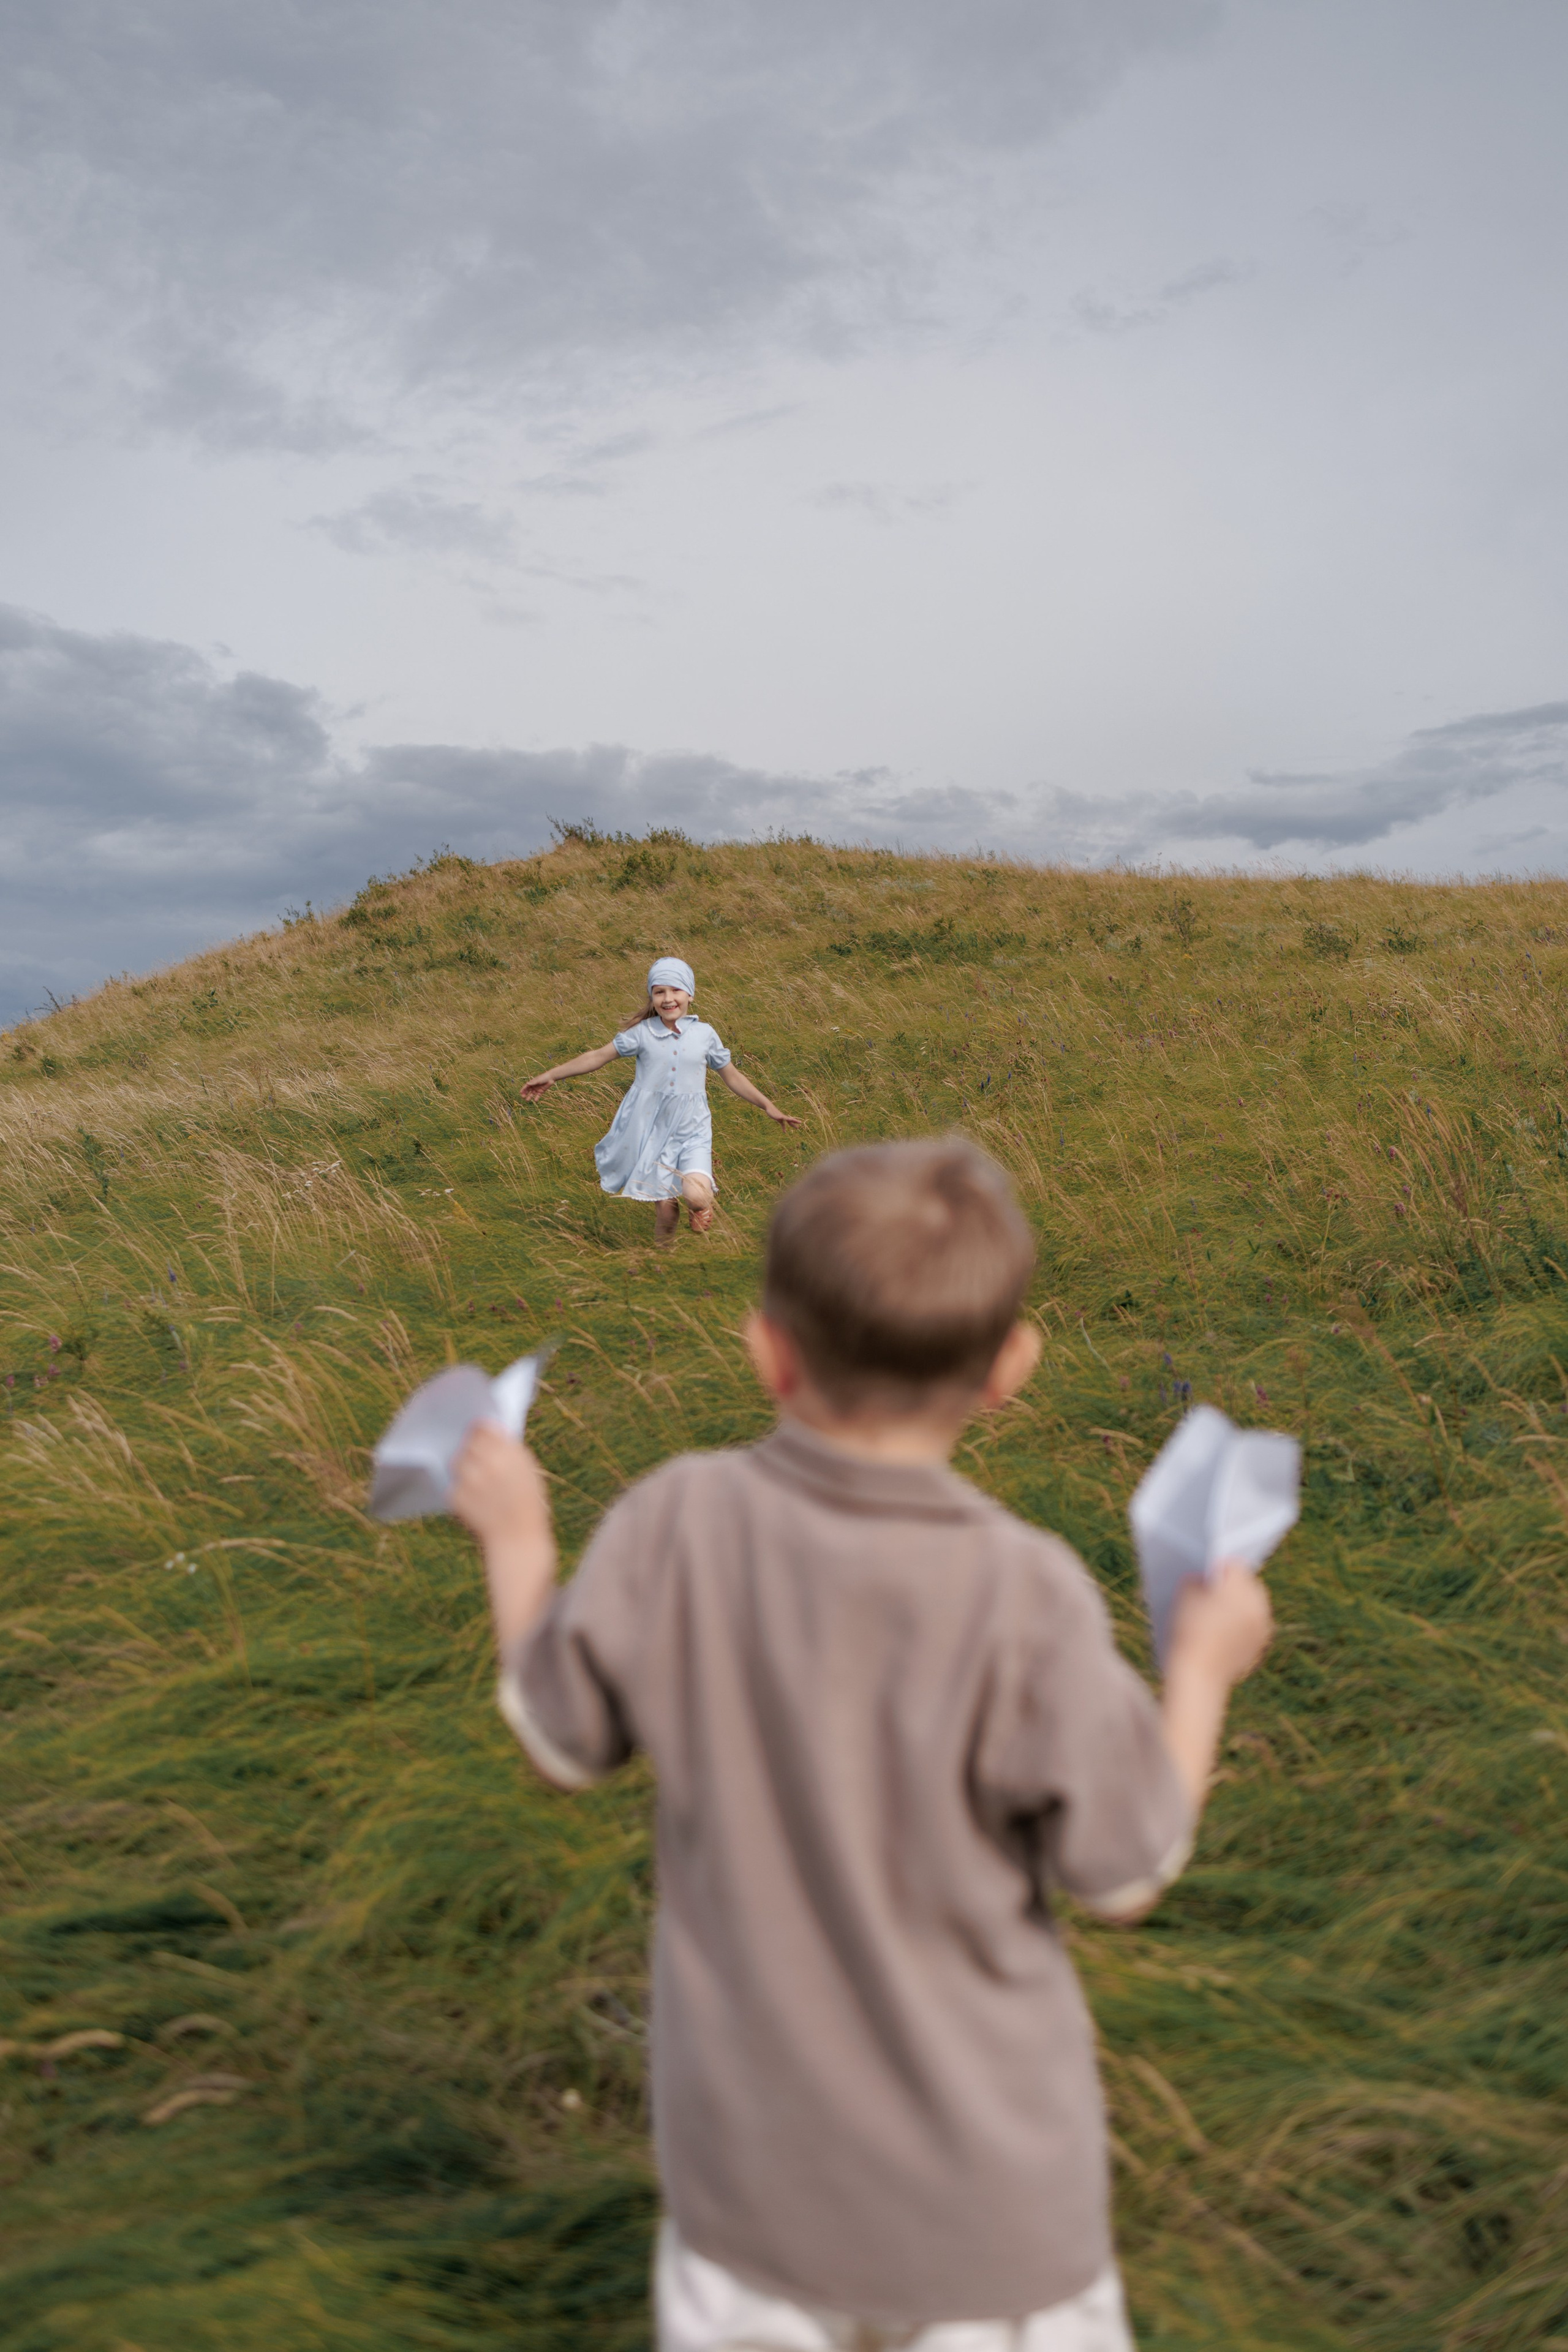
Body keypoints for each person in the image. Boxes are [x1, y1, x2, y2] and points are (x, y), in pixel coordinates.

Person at [452, 1137, 1274, 2352]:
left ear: (766, 1349)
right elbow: (1125, 1873)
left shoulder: (674, 1520)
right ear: (1010, 1369)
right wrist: (1198, 1672)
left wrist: (517, 1544)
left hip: (751, 2211)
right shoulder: (1025, 1593)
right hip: (994, 2231)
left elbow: (560, 1748)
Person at [519, 955, 800, 1243]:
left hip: (692, 1128)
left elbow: (732, 1076)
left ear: (690, 994)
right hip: (650, 1130)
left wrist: (768, 1106)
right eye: (659, 992)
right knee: (666, 1215)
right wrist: (552, 1074)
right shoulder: (642, 1034)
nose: (668, 999)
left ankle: (701, 1207)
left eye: (676, 990)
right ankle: (662, 1266)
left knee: (696, 1195)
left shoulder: (704, 1034)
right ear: (652, 997)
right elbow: (597, 1057)